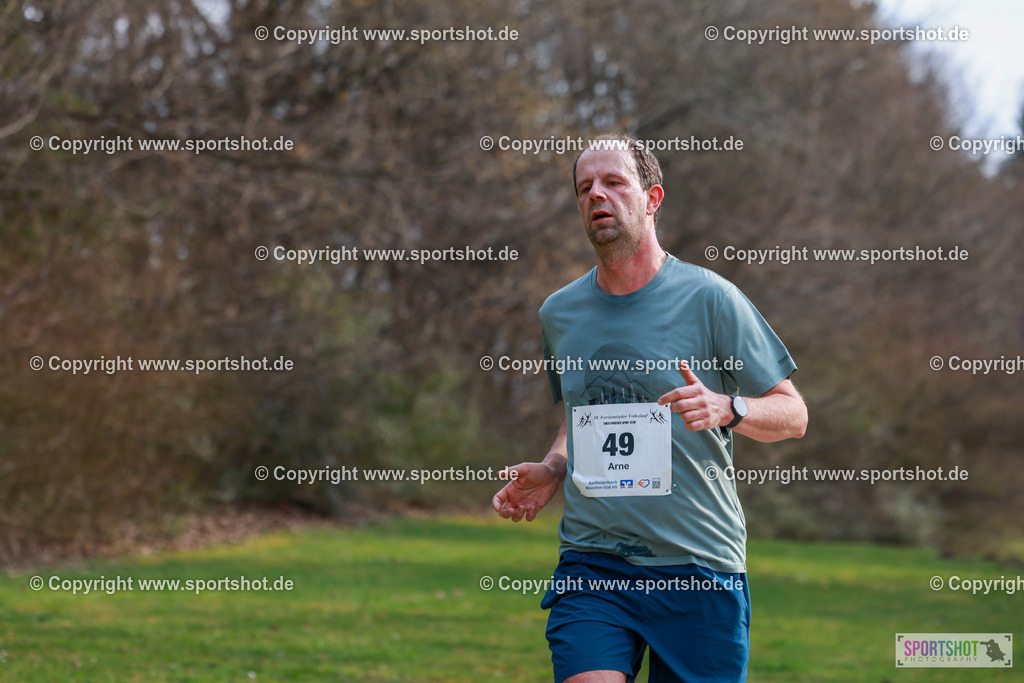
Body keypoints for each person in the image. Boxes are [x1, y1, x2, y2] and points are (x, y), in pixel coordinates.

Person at [492, 133, 808, 683]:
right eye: (585, 187)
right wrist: (554, 468)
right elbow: (582, 414)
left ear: (652, 198)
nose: (597, 196)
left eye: (614, 182)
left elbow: (793, 414)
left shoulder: (711, 298)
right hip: (594, 565)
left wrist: (728, 407)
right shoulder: (559, 313)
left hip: (698, 566)